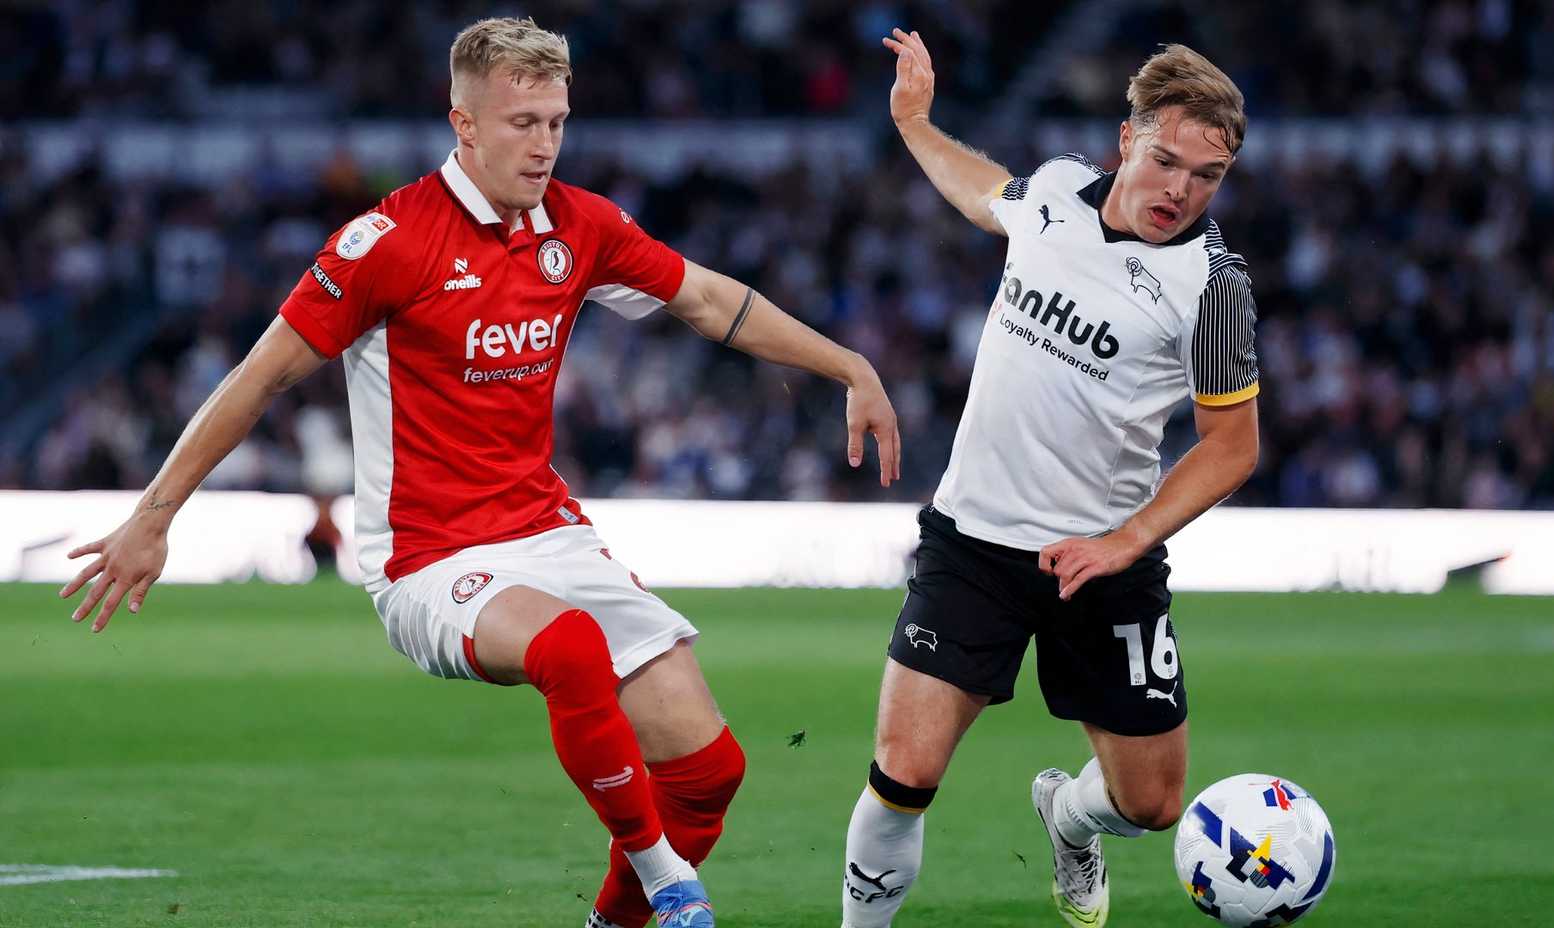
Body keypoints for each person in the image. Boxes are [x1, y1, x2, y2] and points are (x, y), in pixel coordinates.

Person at [57, 17, 900, 928]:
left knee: (708, 770)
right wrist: (155, 513)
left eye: (557, 122)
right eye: (521, 123)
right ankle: (665, 879)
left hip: (545, 528)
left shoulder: (579, 225)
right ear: (462, 124)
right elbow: (259, 377)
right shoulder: (385, 242)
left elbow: (704, 297)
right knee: (571, 648)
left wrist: (847, 364)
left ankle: (614, 919)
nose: (543, 145)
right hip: (425, 557)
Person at [841, 32, 1257, 928]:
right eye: (1166, 160)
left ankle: (1070, 818)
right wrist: (915, 123)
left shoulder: (1215, 289)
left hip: (1104, 560)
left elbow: (1231, 447)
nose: (1180, 190)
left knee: (1151, 804)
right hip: (974, 541)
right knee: (902, 771)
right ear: (1124, 142)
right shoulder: (1060, 189)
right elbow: (986, 194)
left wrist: (1125, 543)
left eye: (1208, 175)